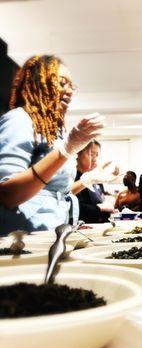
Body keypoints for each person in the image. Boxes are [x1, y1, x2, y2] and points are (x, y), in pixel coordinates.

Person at [0, 55, 104, 235]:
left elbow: (53, 193)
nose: (69, 91)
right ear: (37, 82)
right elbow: (8, 194)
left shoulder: (53, 131)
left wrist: (90, 179)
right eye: (62, 82)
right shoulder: (20, 120)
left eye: (71, 86)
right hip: (21, 239)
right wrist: (65, 151)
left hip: (49, 234)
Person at [73, 140, 119, 223]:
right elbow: (73, 207)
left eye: (97, 155)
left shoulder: (96, 178)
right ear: (78, 154)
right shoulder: (73, 178)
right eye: (91, 154)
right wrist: (100, 207)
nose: (94, 159)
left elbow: (101, 199)